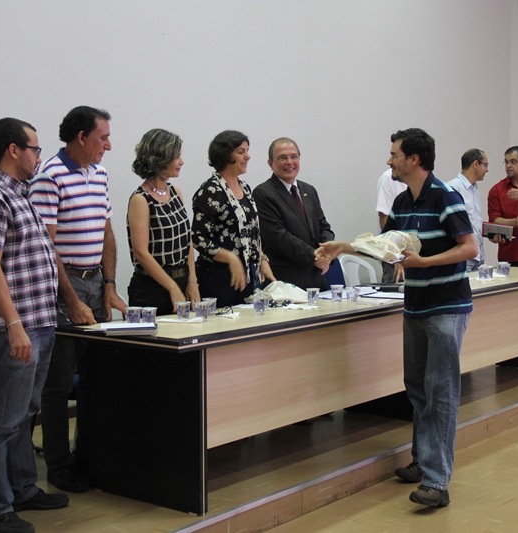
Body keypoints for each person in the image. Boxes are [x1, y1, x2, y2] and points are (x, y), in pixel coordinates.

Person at [317, 128, 477, 509]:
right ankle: (423, 461)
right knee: (417, 387)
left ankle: (437, 482)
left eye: (394, 154)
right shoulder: (403, 202)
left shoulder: (446, 198)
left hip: (446, 308)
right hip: (416, 307)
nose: (389, 161)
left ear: (414, 159)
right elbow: (384, 247)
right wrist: (343, 247)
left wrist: (424, 262)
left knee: (440, 392)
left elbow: (469, 247)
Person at [0, 118, 68, 533]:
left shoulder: (20, 196)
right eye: (35, 149)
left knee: (25, 413)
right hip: (15, 329)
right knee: (2, 421)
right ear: (13, 150)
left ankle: (23, 488)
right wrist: (13, 324)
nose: (39, 157)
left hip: (40, 323)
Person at [29, 106, 127, 493]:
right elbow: (47, 247)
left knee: (96, 378)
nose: (108, 145)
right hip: (63, 283)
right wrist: (69, 299)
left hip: (94, 281)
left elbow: (106, 233)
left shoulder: (99, 174)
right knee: (57, 383)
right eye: (103, 137)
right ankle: (58, 465)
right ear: (81, 137)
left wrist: (110, 284)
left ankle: (88, 455)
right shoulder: (50, 175)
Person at [191, 130, 275, 307]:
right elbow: (198, 239)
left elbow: (251, 233)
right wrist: (231, 258)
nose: (248, 156)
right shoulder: (210, 191)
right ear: (225, 155)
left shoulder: (245, 188)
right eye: (241, 152)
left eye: (247, 151)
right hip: (217, 277)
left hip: (246, 274)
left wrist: (262, 259)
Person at [126, 128, 199, 315]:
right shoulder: (140, 199)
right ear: (161, 158)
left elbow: (187, 241)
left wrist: (192, 280)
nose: (181, 161)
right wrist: (172, 287)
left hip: (182, 281)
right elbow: (141, 253)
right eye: (176, 156)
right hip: (152, 288)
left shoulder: (175, 192)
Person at [253, 137, 334, 291]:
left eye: (294, 156)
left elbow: (324, 227)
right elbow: (279, 238)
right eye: (282, 158)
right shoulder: (263, 193)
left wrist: (328, 254)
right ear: (270, 164)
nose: (289, 162)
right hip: (285, 281)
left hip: (316, 278)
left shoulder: (309, 190)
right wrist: (316, 256)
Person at [447, 149, 489, 271]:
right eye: (485, 165)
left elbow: (474, 221)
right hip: (463, 257)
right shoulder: (452, 188)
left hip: (478, 256)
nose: (487, 170)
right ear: (476, 164)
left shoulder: (474, 188)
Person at [376, 168, 407, 282]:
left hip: (415, 253)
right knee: (393, 290)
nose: (389, 161)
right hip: (395, 254)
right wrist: (396, 257)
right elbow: (384, 218)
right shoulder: (389, 177)